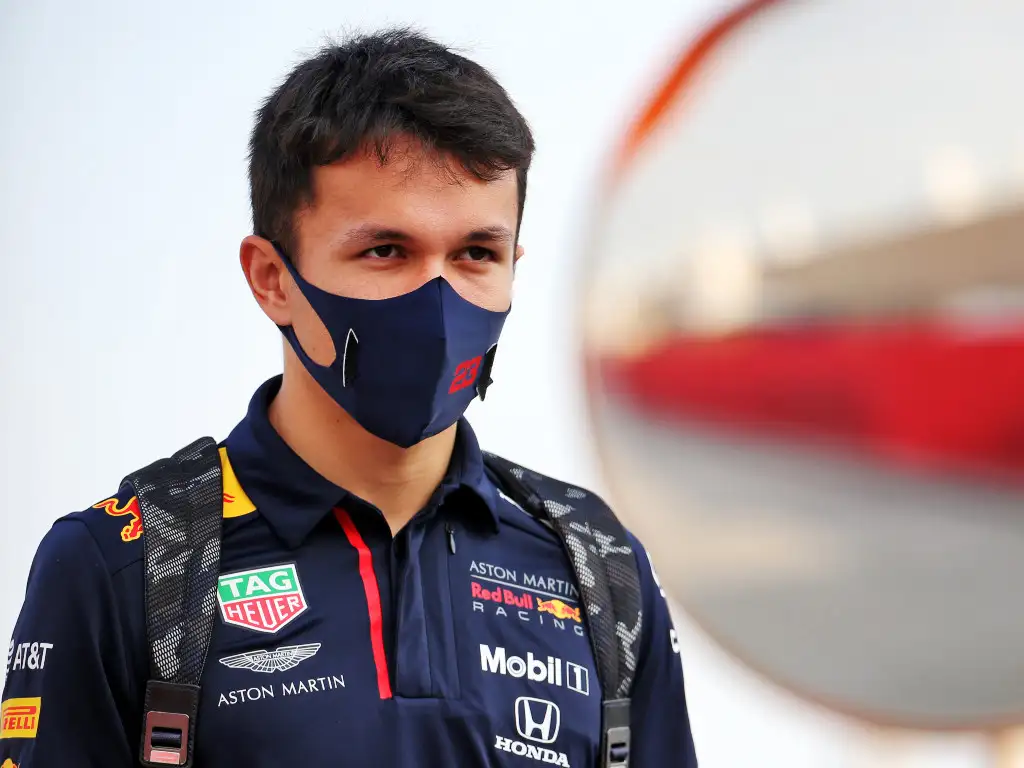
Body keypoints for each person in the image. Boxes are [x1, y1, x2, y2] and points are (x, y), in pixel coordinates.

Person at [0, 28, 698, 767]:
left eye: (476, 253)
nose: (438, 300)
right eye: (386, 251)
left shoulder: (599, 567)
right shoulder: (124, 566)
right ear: (272, 279)